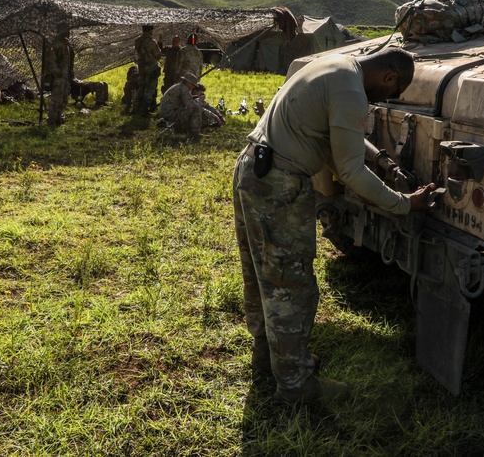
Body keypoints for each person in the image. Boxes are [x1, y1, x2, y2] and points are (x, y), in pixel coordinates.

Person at [232, 47, 435, 404]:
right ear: (389, 77)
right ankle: (296, 387)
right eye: (393, 92)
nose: (388, 99)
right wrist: (404, 203)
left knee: (262, 274)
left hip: (252, 170)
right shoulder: (350, 91)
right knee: (291, 286)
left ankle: (269, 359)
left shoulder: (332, 65)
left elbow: (330, 140)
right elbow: (349, 171)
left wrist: (380, 160)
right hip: (280, 184)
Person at [157, 72, 207, 138]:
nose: (193, 87)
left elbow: (185, 99)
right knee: (196, 109)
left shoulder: (179, 86)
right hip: (171, 114)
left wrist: (195, 97)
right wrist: (199, 101)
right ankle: (195, 133)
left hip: (166, 112)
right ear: (189, 83)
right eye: (193, 85)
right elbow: (190, 105)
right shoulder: (184, 89)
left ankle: (187, 129)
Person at [43, 28, 72, 126]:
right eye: (67, 30)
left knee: (64, 98)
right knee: (56, 99)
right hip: (58, 77)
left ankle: (59, 118)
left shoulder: (66, 44)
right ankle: (52, 120)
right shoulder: (56, 43)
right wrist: (57, 71)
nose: (69, 33)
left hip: (66, 76)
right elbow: (50, 59)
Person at [133, 26, 163, 115]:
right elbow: (158, 55)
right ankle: (144, 110)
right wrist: (160, 43)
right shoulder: (151, 41)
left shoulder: (137, 40)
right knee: (149, 89)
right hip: (151, 68)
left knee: (141, 88)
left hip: (141, 67)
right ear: (150, 30)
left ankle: (136, 108)